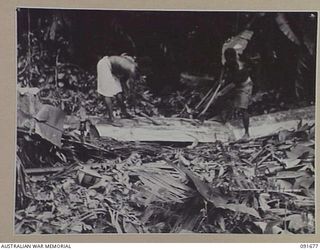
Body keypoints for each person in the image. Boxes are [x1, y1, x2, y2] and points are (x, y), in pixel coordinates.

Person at [220, 48, 253, 140]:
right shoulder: (228, 62)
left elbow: (234, 84)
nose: (227, 60)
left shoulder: (241, 68)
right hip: (236, 83)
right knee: (228, 101)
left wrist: (221, 92)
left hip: (245, 85)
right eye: (226, 58)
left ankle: (247, 133)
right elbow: (224, 69)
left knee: (243, 108)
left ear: (234, 57)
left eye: (229, 58)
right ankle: (226, 122)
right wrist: (221, 79)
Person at [97, 54, 137, 126]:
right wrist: (131, 95)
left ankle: (124, 113)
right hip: (104, 65)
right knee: (107, 92)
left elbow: (125, 82)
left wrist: (128, 92)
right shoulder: (132, 68)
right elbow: (130, 86)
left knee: (118, 90)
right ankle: (111, 118)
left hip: (112, 69)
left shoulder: (131, 65)